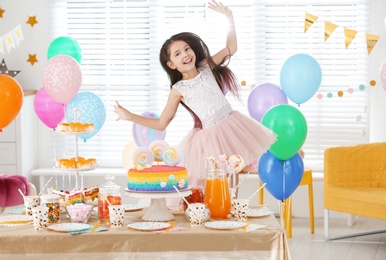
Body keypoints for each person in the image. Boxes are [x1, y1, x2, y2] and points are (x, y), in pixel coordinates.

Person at [114, 0, 277, 188]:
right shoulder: (179, 89)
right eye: (177, 54)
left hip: (233, 125)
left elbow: (231, 48)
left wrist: (228, 16)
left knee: (233, 176)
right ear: (171, 64)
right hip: (211, 138)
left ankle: (231, 214)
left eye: (186, 49)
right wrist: (129, 116)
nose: (185, 54)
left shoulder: (206, 66)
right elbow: (161, 123)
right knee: (217, 182)